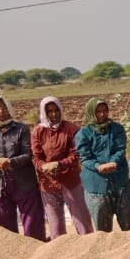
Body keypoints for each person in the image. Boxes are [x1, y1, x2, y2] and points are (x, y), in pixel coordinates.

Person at [0, 96, 46, 240]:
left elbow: (28, 154)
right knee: (4, 229)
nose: (1, 111)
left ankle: (37, 250)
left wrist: (10, 162)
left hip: (25, 183)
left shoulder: (21, 129)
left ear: (10, 108)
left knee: (33, 224)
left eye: (4, 107)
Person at [32, 97, 95, 238]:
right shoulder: (38, 131)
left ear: (61, 110)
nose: (54, 114)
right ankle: (60, 251)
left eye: (56, 110)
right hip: (48, 183)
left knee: (83, 221)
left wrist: (60, 164)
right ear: (44, 113)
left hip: (71, 181)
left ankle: (89, 246)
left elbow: (77, 154)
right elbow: (36, 157)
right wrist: (44, 166)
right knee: (55, 226)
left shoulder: (72, 129)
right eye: (49, 111)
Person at [76, 98, 130, 232]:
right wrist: (98, 166)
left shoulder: (117, 129)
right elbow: (85, 158)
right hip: (97, 186)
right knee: (102, 232)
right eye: (98, 112)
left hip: (120, 182)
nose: (102, 114)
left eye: (105, 111)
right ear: (92, 113)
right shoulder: (83, 133)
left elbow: (120, 149)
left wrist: (113, 162)